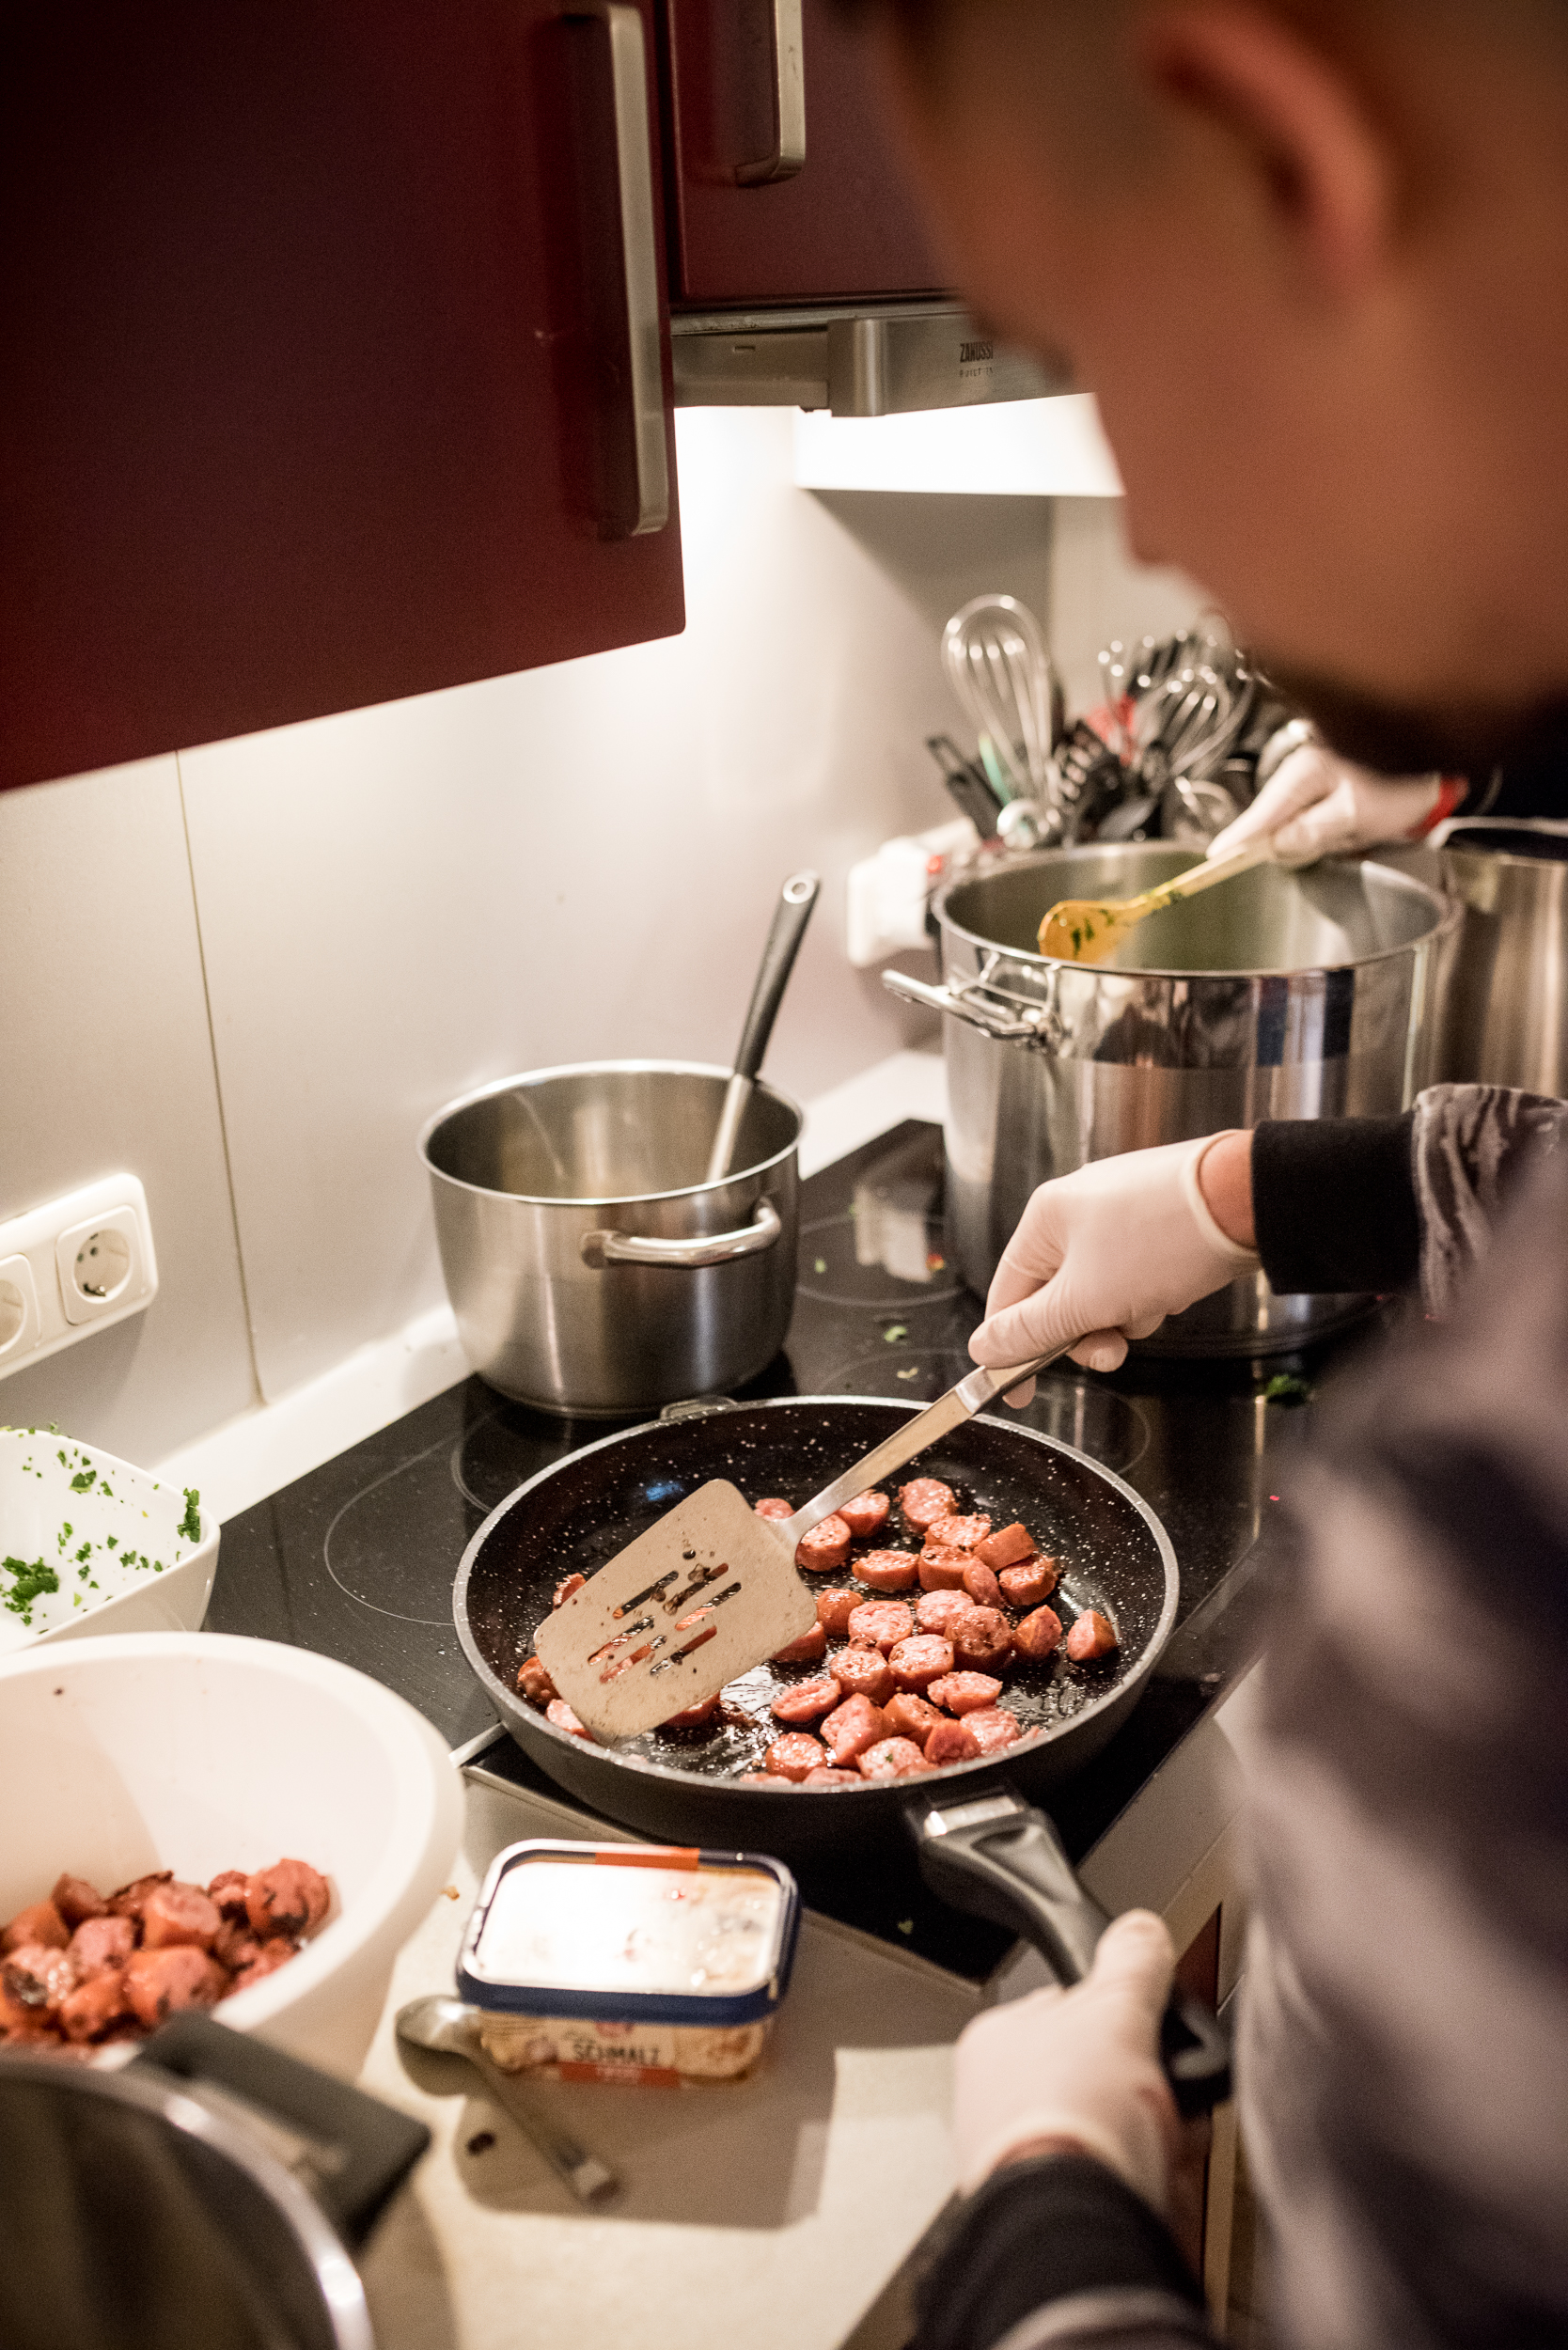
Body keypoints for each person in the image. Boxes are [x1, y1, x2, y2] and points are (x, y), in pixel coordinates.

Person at [832, 5, 1568, 2344]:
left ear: (1281, 165)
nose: (1143, 520)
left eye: (1084, 341)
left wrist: (1052, 2203)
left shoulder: (1482, 1598)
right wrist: (1253, 1189)